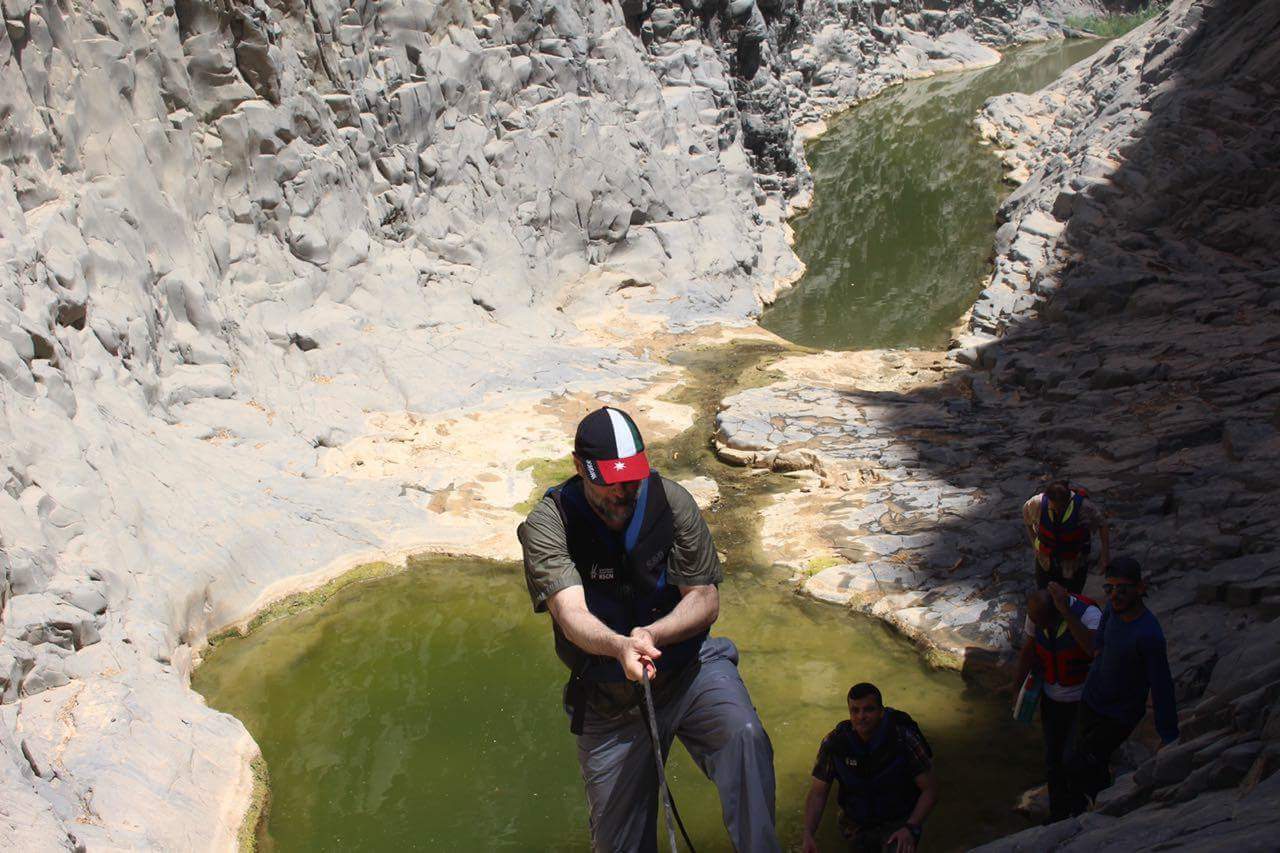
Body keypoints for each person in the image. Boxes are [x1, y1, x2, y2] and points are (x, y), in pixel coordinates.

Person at [517, 405, 780, 852]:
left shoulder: (672, 502)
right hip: (609, 698)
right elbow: (570, 612)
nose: (624, 491)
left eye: (632, 478)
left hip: (690, 669)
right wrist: (620, 646)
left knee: (745, 737)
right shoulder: (551, 522)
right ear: (580, 467)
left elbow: (704, 598)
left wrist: (654, 634)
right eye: (611, 481)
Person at [1063, 556, 1179, 815]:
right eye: (1110, 588)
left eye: (1123, 588)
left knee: (1080, 761)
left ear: (1140, 588)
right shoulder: (1111, 612)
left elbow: (1161, 686)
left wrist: (1168, 736)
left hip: (1119, 713)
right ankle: (1088, 809)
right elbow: (1098, 645)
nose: (1115, 595)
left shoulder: (1148, 634)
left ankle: (1097, 811)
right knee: (1080, 759)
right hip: (1093, 699)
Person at [802, 683, 938, 853]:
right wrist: (808, 834)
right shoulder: (835, 743)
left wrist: (911, 827)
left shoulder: (903, 739)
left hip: (899, 821)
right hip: (856, 822)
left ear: (881, 712)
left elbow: (930, 790)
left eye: (869, 710)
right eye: (855, 711)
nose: (861, 716)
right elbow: (818, 793)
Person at [1010, 583, 1102, 822]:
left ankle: (1082, 807)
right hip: (1052, 698)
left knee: (1073, 757)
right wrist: (1016, 689)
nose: (1039, 627)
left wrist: (1067, 613)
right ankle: (1058, 813)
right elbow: (1029, 650)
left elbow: (1092, 648)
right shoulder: (1037, 614)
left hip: (1082, 699)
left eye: (1043, 622)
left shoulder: (1088, 614)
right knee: (1053, 759)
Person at [1022, 479, 1110, 593]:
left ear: (1068, 500)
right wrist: (1034, 544)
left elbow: (1102, 524)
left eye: (1061, 507)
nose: (1057, 510)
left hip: (1074, 562)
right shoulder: (1036, 503)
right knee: (1044, 594)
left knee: (1072, 595)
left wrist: (1105, 555)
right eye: (1054, 507)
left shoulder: (1084, 507)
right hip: (1045, 560)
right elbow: (1027, 519)